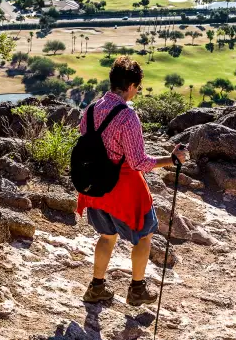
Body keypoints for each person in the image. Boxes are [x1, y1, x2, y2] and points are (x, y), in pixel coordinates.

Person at [77, 56, 187, 306]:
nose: (136, 92)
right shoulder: (128, 116)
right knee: (145, 235)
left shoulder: (91, 109)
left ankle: (96, 287)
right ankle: (137, 289)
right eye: (137, 87)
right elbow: (138, 162)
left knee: (106, 236)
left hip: (94, 186)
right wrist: (170, 159)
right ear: (131, 85)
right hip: (124, 190)